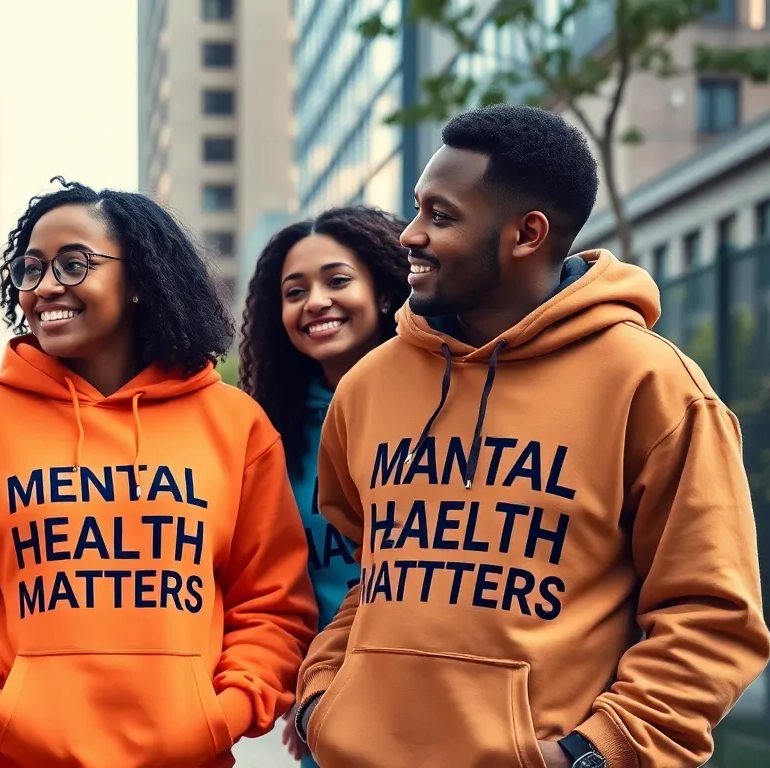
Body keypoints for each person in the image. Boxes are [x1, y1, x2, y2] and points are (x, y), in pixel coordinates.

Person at [294, 103, 770, 768]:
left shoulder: (652, 386)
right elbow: (368, 574)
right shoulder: (369, 386)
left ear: (527, 233)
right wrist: (322, 700)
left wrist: (588, 754)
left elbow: (711, 617)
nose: (409, 235)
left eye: (441, 215)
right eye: (416, 209)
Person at [0, 177, 318, 768]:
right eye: (32, 268)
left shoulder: (236, 425)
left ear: (141, 280)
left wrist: (217, 715)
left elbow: (272, 608)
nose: (45, 287)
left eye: (74, 265)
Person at [237, 206, 411, 765]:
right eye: (295, 291)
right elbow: (273, 589)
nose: (314, 302)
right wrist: (304, 695)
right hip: (333, 713)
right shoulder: (269, 437)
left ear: (384, 292)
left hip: (446, 700)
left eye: (337, 280)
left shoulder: (444, 406)